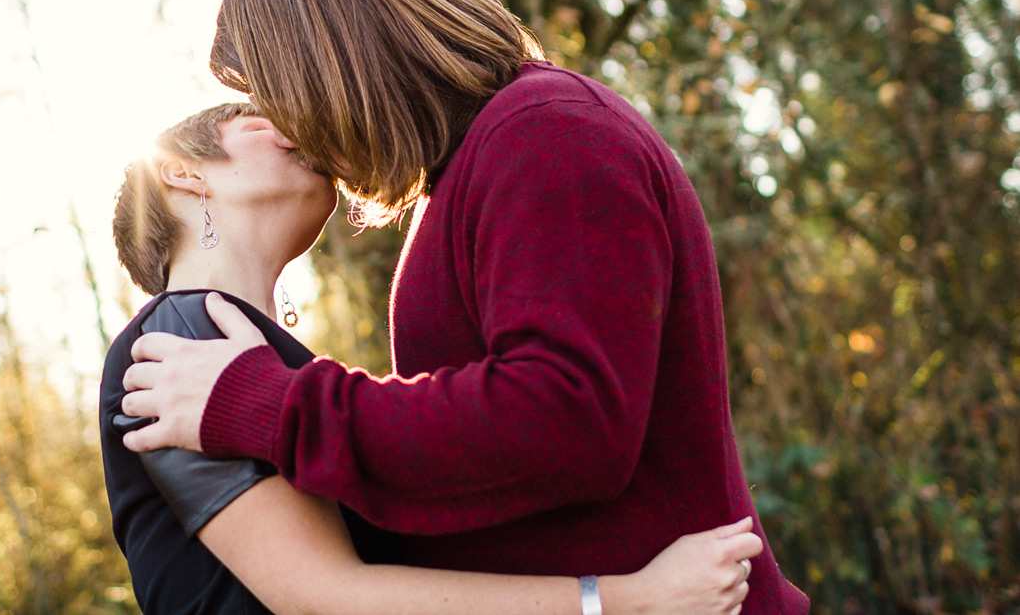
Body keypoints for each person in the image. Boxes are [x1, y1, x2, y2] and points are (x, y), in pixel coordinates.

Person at [119, 0, 810, 613]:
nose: (286, 126)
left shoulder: (547, 135)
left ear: (325, 63)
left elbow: (568, 417)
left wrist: (270, 406)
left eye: (272, 93)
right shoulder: (471, 173)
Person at [102, 102, 763, 614]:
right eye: (253, 118)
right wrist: (624, 599)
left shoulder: (257, 360)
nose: (291, 122)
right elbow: (326, 597)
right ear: (181, 170)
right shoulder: (182, 338)